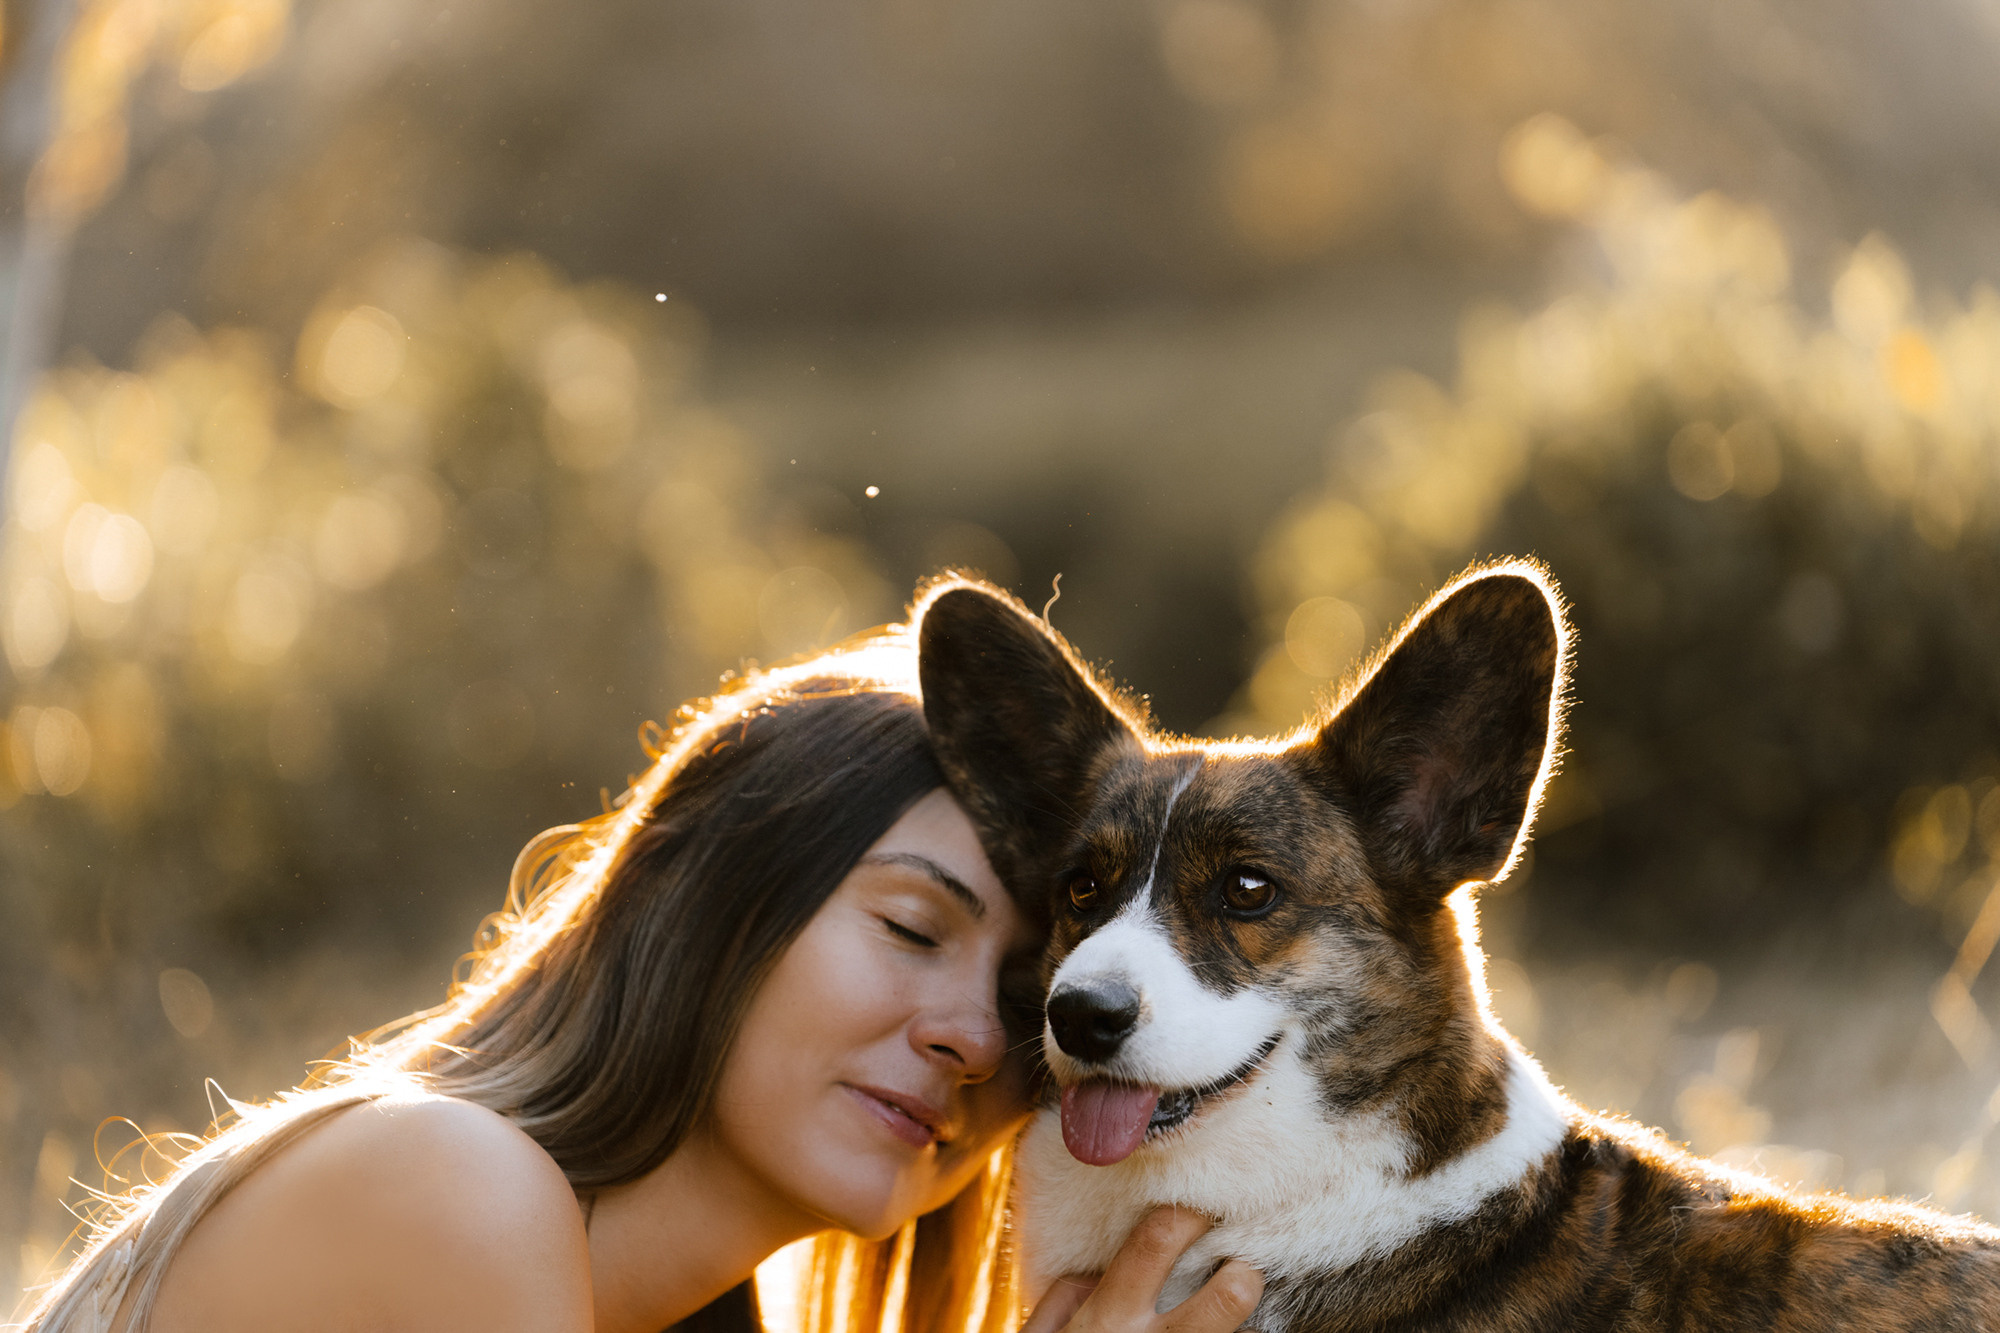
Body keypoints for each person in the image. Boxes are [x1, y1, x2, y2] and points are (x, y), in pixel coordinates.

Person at [18, 625, 1264, 1333]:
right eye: (906, 927)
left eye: (1016, 996)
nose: (974, 1043)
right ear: (705, 889)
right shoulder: (455, 1185)